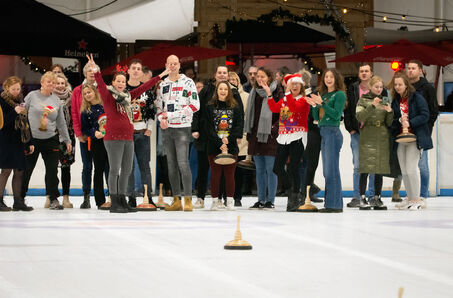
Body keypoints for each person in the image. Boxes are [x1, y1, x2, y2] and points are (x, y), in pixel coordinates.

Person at [86, 54, 169, 213]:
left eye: (123, 82)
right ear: (113, 82)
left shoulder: (128, 96)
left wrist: (161, 75)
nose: (121, 84)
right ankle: (115, 200)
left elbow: (145, 87)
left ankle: (122, 199)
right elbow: (100, 83)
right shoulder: (108, 96)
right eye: (118, 81)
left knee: (126, 170)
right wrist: (95, 69)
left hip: (128, 138)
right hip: (113, 138)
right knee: (114, 169)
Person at [191, 66, 243, 209]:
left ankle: (222, 199)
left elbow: (240, 116)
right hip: (206, 135)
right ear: (215, 74)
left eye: (224, 73)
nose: (221, 75)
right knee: (204, 168)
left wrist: (235, 136)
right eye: (219, 72)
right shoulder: (206, 90)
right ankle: (200, 198)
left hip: (228, 138)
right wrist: (195, 128)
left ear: (228, 75)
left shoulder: (234, 92)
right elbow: (197, 110)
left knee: (225, 170)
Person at [21, 72, 72, 210]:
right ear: (42, 82)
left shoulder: (56, 100)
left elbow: (61, 122)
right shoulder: (32, 96)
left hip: (51, 139)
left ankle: (53, 198)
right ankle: (20, 197)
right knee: (27, 169)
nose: (51, 84)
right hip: (32, 139)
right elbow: (22, 113)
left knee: (52, 171)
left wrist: (67, 140)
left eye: (53, 82)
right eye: (48, 82)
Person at [156, 55, 200, 211]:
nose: (173, 66)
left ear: (179, 65)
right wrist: (162, 117)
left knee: (183, 163)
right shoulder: (162, 85)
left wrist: (172, 115)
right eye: (170, 64)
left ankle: (188, 198)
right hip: (167, 129)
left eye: (175, 63)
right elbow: (159, 107)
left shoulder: (188, 82)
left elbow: (195, 105)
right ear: (166, 65)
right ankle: (176, 199)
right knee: (171, 165)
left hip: (182, 126)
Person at [390, 72, 432, 210]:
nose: (397, 87)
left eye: (400, 84)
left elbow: (425, 115)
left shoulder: (417, 98)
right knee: (404, 171)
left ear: (406, 84)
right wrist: (398, 120)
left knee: (411, 169)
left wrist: (410, 122)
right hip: (400, 138)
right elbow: (394, 119)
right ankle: (410, 197)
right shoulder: (396, 100)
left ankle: (416, 199)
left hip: (415, 137)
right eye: (395, 84)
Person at [267, 74, 310, 211]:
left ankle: (294, 196)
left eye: (297, 84)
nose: (295, 86)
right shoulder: (285, 99)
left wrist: (287, 95)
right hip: (284, 136)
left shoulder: (303, 100)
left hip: (297, 136)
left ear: (301, 86)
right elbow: (274, 108)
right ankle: (293, 189)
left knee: (293, 168)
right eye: (292, 84)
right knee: (277, 167)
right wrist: (269, 95)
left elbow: (295, 108)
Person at [306, 68, 346, 213]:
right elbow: (317, 118)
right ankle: (331, 203)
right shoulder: (323, 94)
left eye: (331, 77)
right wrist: (315, 106)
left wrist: (322, 103)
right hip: (323, 132)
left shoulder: (340, 94)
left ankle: (334, 204)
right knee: (327, 171)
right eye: (326, 76)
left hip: (333, 133)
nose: (328, 79)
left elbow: (336, 115)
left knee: (332, 170)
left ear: (336, 79)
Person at [245, 67, 284, 209]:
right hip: (256, 135)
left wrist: (274, 129)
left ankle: (270, 200)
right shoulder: (254, 92)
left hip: (270, 136)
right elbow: (250, 114)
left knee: (271, 169)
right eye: (257, 76)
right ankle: (261, 199)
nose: (259, 79)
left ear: (269, 77)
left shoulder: (277, 91)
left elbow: (281, 111)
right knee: (259, 170)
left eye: (262, 76)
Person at [355, 76, 394, 210]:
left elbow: (389, 122)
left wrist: (390, 112)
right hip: (368, 134)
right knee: (365, 168)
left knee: (379, 168)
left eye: (381, 87)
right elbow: (359, 117)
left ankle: (377, 197)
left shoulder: (385, 100)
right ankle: (362, 197)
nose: (379, 89)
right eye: (376, 87)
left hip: (382, 135)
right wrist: (372, 105)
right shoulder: (363, 100)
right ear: (370, 87)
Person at [344, 63, 379, 207]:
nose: (364, 73)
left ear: (371, 73)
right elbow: (347, 110)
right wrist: (350, 129)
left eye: (366, 71)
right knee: (358, 166)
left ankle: (371, 196)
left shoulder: (378, 88)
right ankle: (357, 197)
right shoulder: (352, 88)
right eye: (361, 71)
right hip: (357, 133)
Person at [205, 81, 243, 210]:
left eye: (225, 89)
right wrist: (220, 142)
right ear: (217, 91)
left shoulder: (235, 107)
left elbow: (238, 126)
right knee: (215, 174)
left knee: (229, 175)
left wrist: (228, 140)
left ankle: (230, 201)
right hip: (214, 145)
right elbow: (208, 128)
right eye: (220, 89)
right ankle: (215, 201)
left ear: (229, 92)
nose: (223, 91)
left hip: (231, 146)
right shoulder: (210, 107)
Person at [125, 59, 158, 209]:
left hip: (142, 133)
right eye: (134, 68)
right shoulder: (122, 89)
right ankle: (130, 197)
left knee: (145, 166)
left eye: (139, 68)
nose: (136, 71)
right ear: (129, 71)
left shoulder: (146, 90)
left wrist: (150, 127)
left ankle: (148, 197)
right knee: (128, 167)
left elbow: (152, 111)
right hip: (126, 134)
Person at [406, 60, 438, 204]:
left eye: (413, 68)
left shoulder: (427, 88)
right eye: (409, 68)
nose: (410, 71)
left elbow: (433, 111)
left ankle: (423, 194)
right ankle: (412, 194)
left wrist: (427, 128)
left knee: (422, 164)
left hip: (422, 130)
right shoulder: (405, 87)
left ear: (420, 70)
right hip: (406, 131)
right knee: (409, 165)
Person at [0, 76, 34, 211]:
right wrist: (14, 112)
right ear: (6, 88)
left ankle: (18, 201)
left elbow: (26, 122)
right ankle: (0, 200)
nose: (15, 91)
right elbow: (2, 123)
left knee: (19, 171)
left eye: (18, 88)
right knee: (6, 170)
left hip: (19, 140)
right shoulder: (1, 101)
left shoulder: (21, 100)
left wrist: (30, 141)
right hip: (5, 140)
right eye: (13, 89)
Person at [71, 61, 101, 207]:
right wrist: (78, 133)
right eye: (89, 70)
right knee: (87, 166)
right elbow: (74, 114)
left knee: (103, 166)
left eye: (94, 70)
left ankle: (106, 197)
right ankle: (86, 197)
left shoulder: (102, 89)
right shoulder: (77, 91)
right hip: (85, 135)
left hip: (102, 136)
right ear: (84, 73)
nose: (91, 72)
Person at [80, 84, 108, 209]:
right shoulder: (86, 111)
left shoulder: (105, 106)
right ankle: (100, 200)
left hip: (110, 141)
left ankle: (114, 197)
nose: (87, 95)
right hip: (97, 142)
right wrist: (94, 133)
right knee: (98, 170)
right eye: (85, 94)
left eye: (89, 92)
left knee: (111, 169)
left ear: (95, 91)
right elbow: (85, 128)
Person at [298, 69, 322, 203]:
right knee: (302, 164)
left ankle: (308, 191)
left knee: (310, 164)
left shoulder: (313, 95)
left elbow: (315, 115)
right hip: (300, 133)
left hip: (312, 133)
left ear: (306, 82)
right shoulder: (295, 96)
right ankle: (303, 192)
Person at [228, 71, 251, 206]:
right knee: (226, 168)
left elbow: (247, 116)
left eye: (234, 80)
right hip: (225, 136)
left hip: (241, 136)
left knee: (239, 170)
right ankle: (226, 196)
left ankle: (237, 197)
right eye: (229, 80)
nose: (232, 82)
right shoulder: (221, 95)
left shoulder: (246, 96)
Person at [53, 73, 75, 208]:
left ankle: (66, 197)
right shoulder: (48, 98)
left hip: (69, 136)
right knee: (51, 168)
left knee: (66, 168)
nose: (61, 86)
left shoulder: (72, 98)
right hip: (53, 136)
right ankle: (51, 196)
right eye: (58, 83)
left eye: (63, 83)